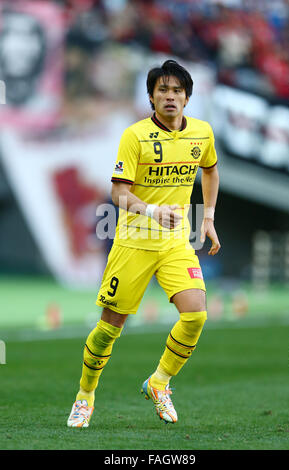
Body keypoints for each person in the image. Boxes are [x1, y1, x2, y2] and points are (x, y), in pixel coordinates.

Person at [67, 59, 221, 428]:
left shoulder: (202, 133)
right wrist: (151, 211)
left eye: (177, 90)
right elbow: (117, 190)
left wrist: (209, 218)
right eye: (163, 90)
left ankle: (159, 382)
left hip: (175, 242)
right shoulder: (134, 135)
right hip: (134, 240)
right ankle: (85, 396)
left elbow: (211, 169)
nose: (170, 96)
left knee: (196, 313)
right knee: (109, 327)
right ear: (151, 97)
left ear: (187, 97)